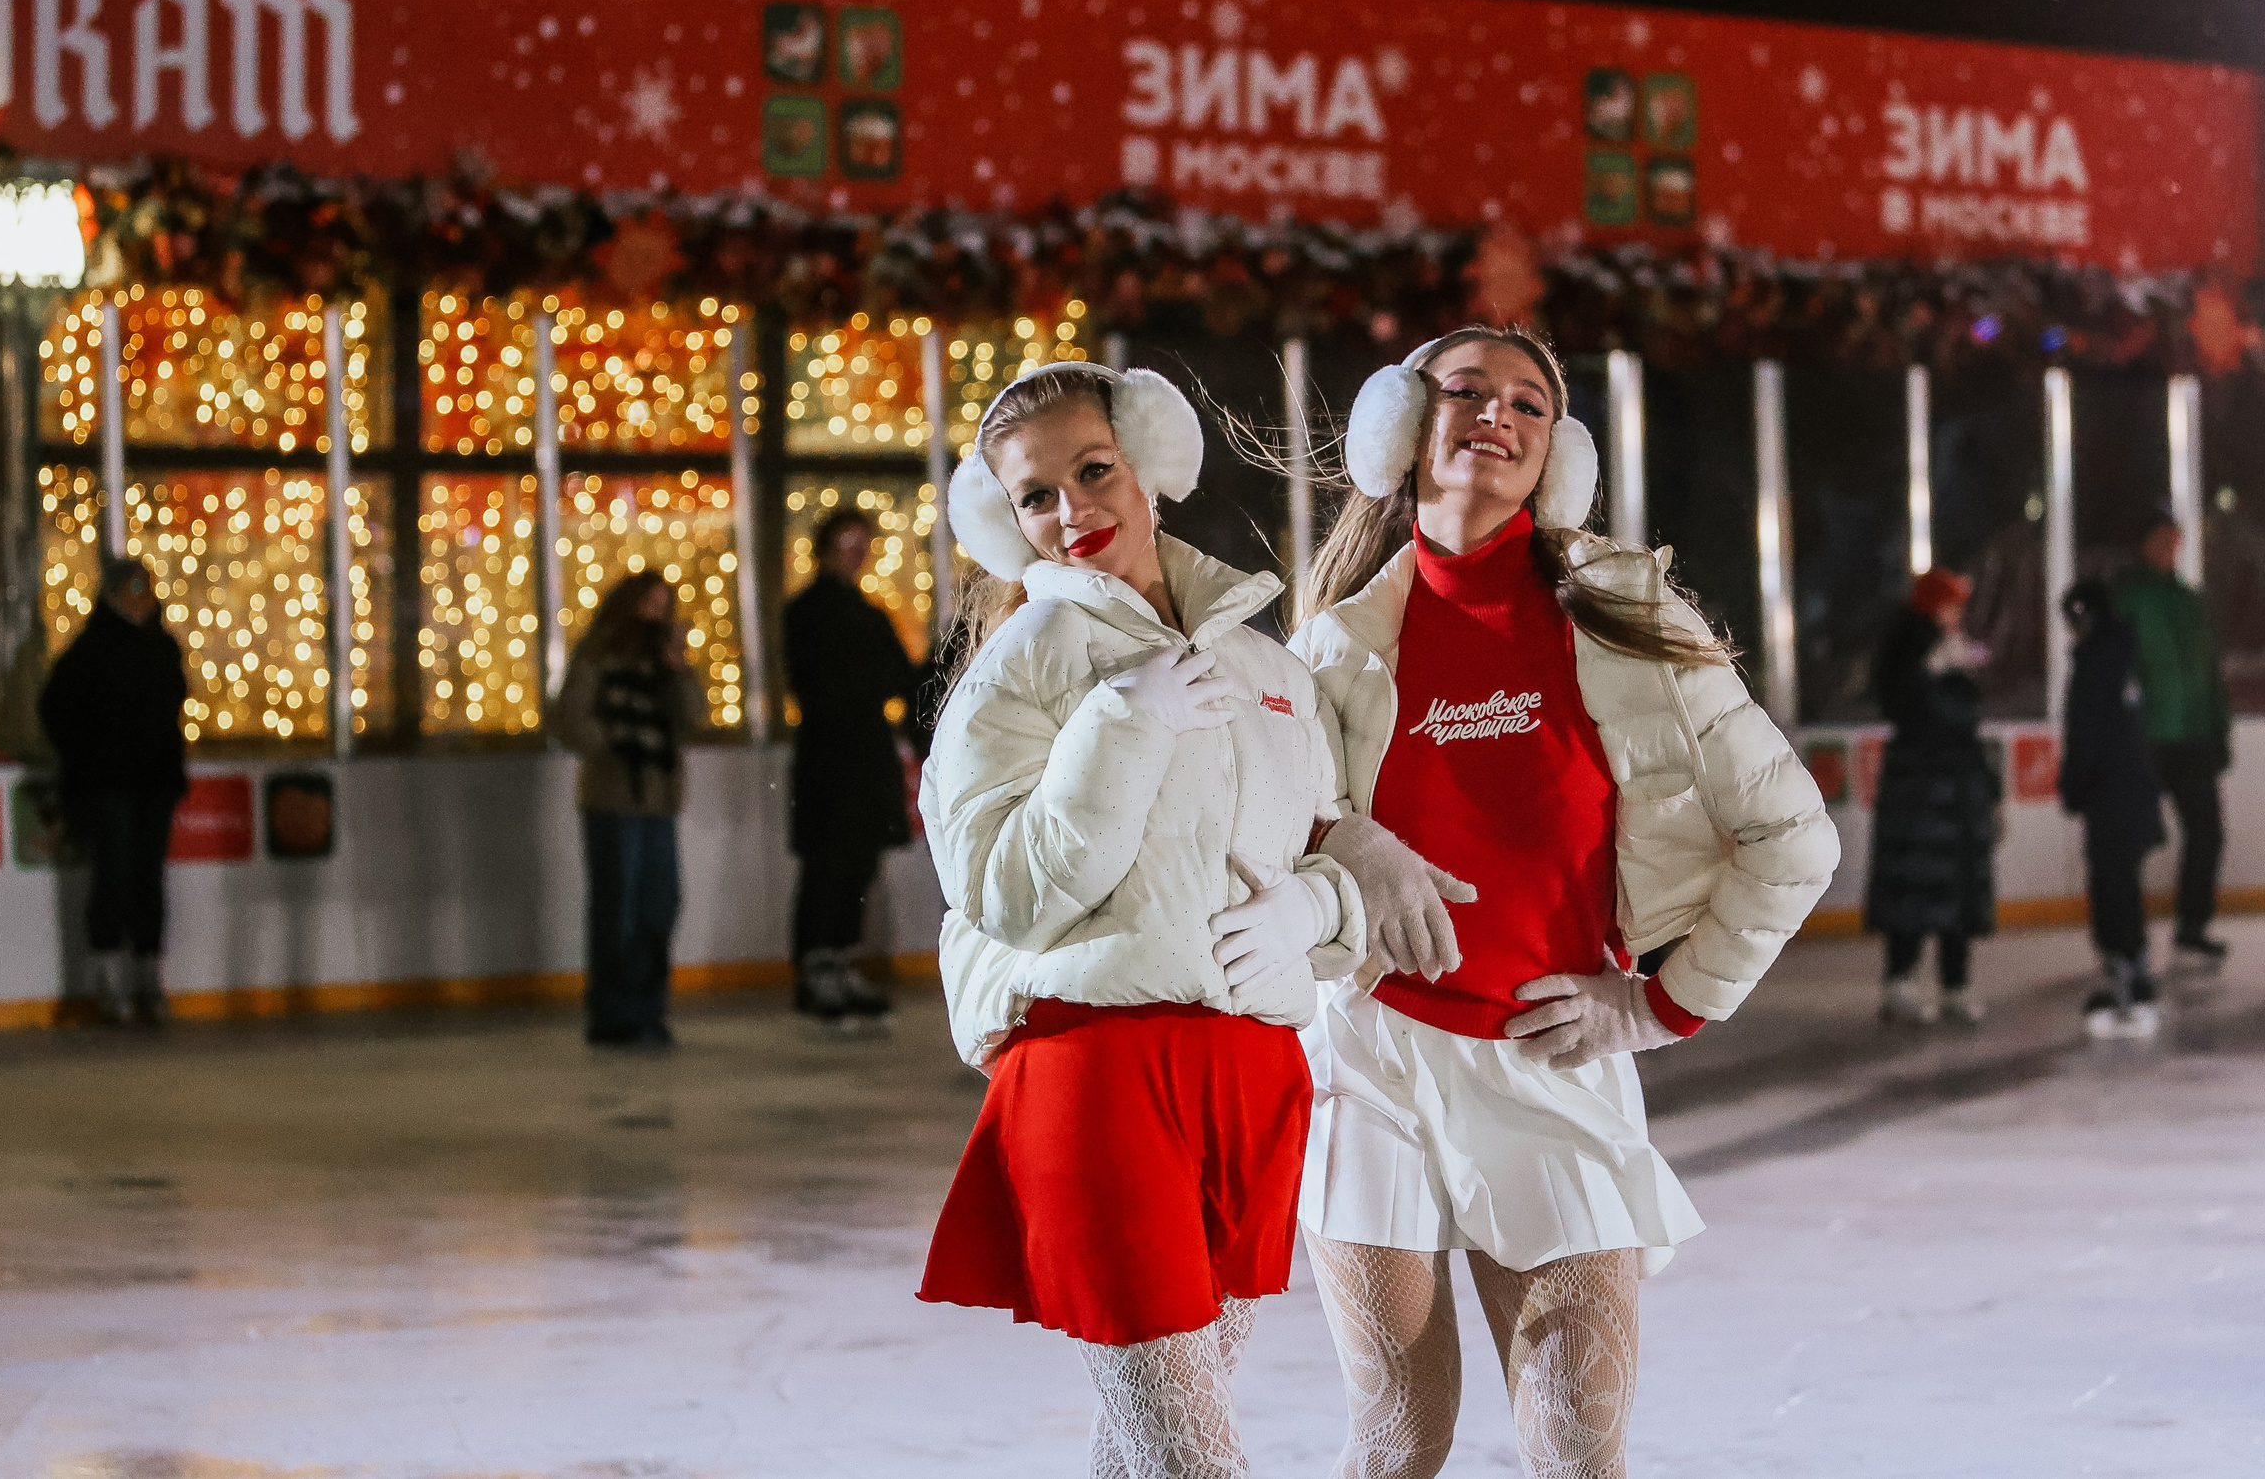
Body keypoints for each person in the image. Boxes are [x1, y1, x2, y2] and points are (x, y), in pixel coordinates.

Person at [1285, 325, 1838, 1479]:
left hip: (1552, 1063)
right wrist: (1340, 831)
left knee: (1578, 1455)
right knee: (1394, 1442)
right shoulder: (1331, 647)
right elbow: (1255, 838)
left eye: (1529, 404)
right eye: (1467, 391)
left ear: (1556, 453)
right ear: (1400, 424)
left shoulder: (1631, 619)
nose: (1497, 414)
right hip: (1369, 1060)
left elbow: (1794, 836)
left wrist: (1661, 1006)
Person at [916, 362, 1371, 1478]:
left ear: (1149, 469)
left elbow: (1330, 850)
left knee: (1143, 1447)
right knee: (1193, 1456)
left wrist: (1312, 908)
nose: (1071, 510)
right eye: (1035, 495)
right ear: (1003, 518)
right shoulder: (1011, 678)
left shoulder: (1271, 666)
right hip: (1097, 1068)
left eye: (1092, 470)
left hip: (1252, 1070)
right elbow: (1007, 894)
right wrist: (1120, 724)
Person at [555, 569, 704, 1048]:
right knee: (619, 906)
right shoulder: (600, 652)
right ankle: (615, 1014)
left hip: (659, 799)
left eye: (663, 606)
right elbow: (570, 718)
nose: (656, 616)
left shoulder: (665, 661)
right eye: (649, 605)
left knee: (660, 904)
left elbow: (693, 718)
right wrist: (616, 742)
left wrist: (679, 669)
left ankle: (648, 1009)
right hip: (614, 797)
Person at [782, 506, 919, 1022]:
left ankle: (839, 963)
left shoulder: (868, 614)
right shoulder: (808, 612)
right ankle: (818, 970)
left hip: (863, 754)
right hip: (829, 756)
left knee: (859, 864)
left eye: (861, 544)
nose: (855, 555)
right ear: (824, 548)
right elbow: (819, 686)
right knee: (828, 865)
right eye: (846, 544)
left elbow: (902, 678)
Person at [40, 558, 189, 1027]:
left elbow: (175, 703)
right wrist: (87, 759)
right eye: (133, 590)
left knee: (148, 878)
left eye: (146, 589)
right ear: (114, 595)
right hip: (109, 786)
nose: (142, 598)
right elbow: (55, 709)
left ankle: (148, 974)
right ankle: (109, 981)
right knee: (115, 875)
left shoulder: (161, 647)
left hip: (153, 783)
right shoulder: (91, 650)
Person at [1866, 568, 2000, 1026]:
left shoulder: (1954, 653)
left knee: (1959, 890)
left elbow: (1969, 730)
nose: (1957, 613)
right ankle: (1899, 981)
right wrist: (1931, 667)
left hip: (1960, 790)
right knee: (1914, 889)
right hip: (1920, 790)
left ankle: (1955, 984)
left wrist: (1991, 794)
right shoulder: (1909, 652)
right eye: (1951, 603)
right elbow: (1904, 703)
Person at [2109, 511, 2233, 969]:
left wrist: (2218, 729)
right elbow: (2110, 666)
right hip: (2147, 737)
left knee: (2207, 833)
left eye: (2176, 540)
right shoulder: (2127, 597)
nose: (2171, 548)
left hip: (2194, 736)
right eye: (2163, 539)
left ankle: (2192, 929)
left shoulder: (2187, 599)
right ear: (2145, 542)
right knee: (2134, 840)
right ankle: (2125, 939)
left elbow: (2210, 669)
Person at [2059, 579, 2166, 1037]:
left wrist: (2076, 785)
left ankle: (2127, 976)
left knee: (2113, 884)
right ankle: (2131, 970)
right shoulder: (2123, 656)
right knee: (2121, 881)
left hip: (2111, 794)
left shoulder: (2098, 663)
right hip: (2132, 791)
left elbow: (2089, 734)